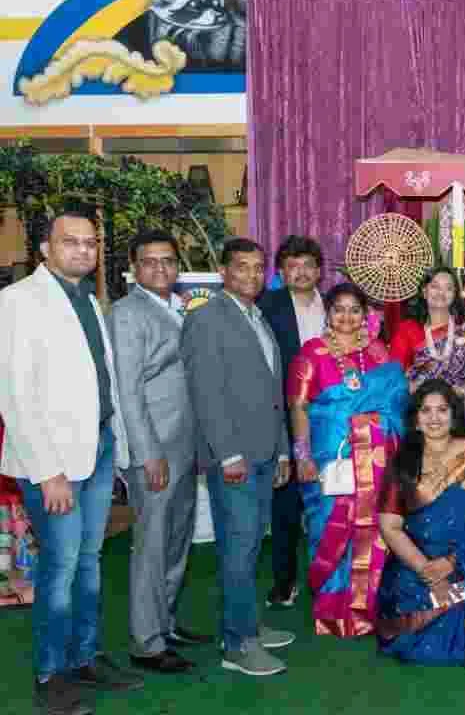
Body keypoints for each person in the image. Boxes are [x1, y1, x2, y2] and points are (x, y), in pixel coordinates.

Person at [0, 204, 142, 714]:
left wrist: (117, 446)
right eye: (70, 241)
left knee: (89, 562)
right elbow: (15, 396)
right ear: (45, 248)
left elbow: (102, 379)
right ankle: (50, 674)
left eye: (90, 242)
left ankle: (85, 658)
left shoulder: (88, 299)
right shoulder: (18, 301)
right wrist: (48, 472)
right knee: (59, 568)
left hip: (97, 448)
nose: (83, 249)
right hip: (54, 463)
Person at [182, 238, 295, 677]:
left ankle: (248, 625)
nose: (251, 275)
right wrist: (227, 454)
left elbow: (273, 392)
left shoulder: (257, 316)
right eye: (241, 267)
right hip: (235, 458)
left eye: (257, 267)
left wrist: (282, 449)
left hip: (265, 453)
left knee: (248, 548)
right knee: (238, 548)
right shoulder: (206, 318)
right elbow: (206, 393)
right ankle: (237, 645)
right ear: (224, 272)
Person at [111, 230, 211, 674]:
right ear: (134, 268)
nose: (160, 268)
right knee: (152, 544)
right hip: (154, 449)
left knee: (176, 538)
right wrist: (147, 453)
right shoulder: (127, 313)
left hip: (183, 445)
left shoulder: (178, 306)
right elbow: (128, 391)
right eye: (149, 261)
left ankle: (164, 622)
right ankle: (146, 643)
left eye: (168, 260)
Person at [288, 282, 409, 637]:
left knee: (371, 530)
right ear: (328, 313)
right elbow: (299, 407)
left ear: (365, 315)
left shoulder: (378, 352)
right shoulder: (312, 353)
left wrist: (377, 425)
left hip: (375, 457)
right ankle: (331, 609)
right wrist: (302, 456)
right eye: (338, 309)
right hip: (330, 458)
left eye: (354, 310)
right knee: (331, 526)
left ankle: (367, 606)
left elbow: (397, 402)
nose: (346, 316)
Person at [375, 380, 465, 665]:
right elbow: (389, 526)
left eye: (442, 410)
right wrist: (426, 570)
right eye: (426, 410)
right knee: (410, 608)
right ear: (415, 418)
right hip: (416, 561)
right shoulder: (402, 461)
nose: (434, 418)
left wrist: (450, 562)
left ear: (454, 414)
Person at [258, 236, 326, 610]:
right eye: (292, 266)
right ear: (281, 272)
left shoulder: (335, 307)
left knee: (330, 500)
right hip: (284, 416)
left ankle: (330, 580)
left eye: (307, 265)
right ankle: (284, 583)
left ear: (319, 271)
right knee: (285, 504)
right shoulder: (266, 307)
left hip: (330, 418)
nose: (301, 272)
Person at [389, 266, 465, 438]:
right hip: (420, 416)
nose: (441, 293)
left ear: (455, 295)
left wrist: (462, 390)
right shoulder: (407, 330)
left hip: (457, 417)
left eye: (448, 288)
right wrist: (416, 388)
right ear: (424, 291)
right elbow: (393, 377)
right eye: (435, 286)